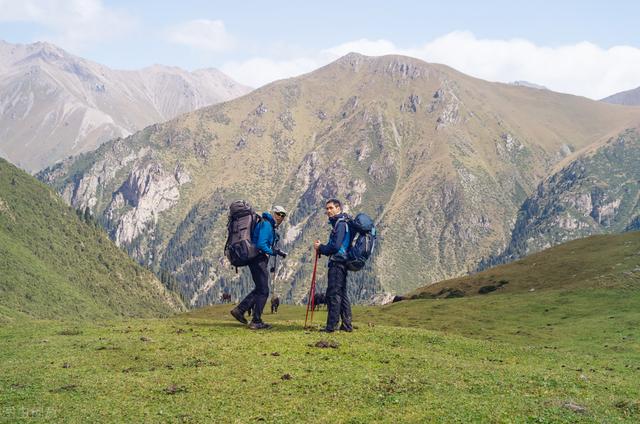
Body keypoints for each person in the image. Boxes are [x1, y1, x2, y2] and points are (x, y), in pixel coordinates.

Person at [231, 205, 287, 329]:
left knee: (259, 288)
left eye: (283, 215)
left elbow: (264, 242)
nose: (281, 217)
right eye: (279, 214)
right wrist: (273, 252)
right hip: (258, 259)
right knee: (264, 291)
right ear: (274, 213)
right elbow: (261, 244)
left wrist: (276, 250)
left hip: (256, 259)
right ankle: (256, 321)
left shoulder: (268, 225)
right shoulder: (266, 225)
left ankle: (239, 310)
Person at [314, 199, 353, 333]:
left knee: (333, 294)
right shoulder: (344, 222)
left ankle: (331, 326)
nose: (328, 211)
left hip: (337, 262)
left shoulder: (340, 224)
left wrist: (321, 248)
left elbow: (335, 246)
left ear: (338, 208)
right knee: (342, 294)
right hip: (343, 262)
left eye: (331, 208)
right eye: (327, 209)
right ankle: (347, 325)